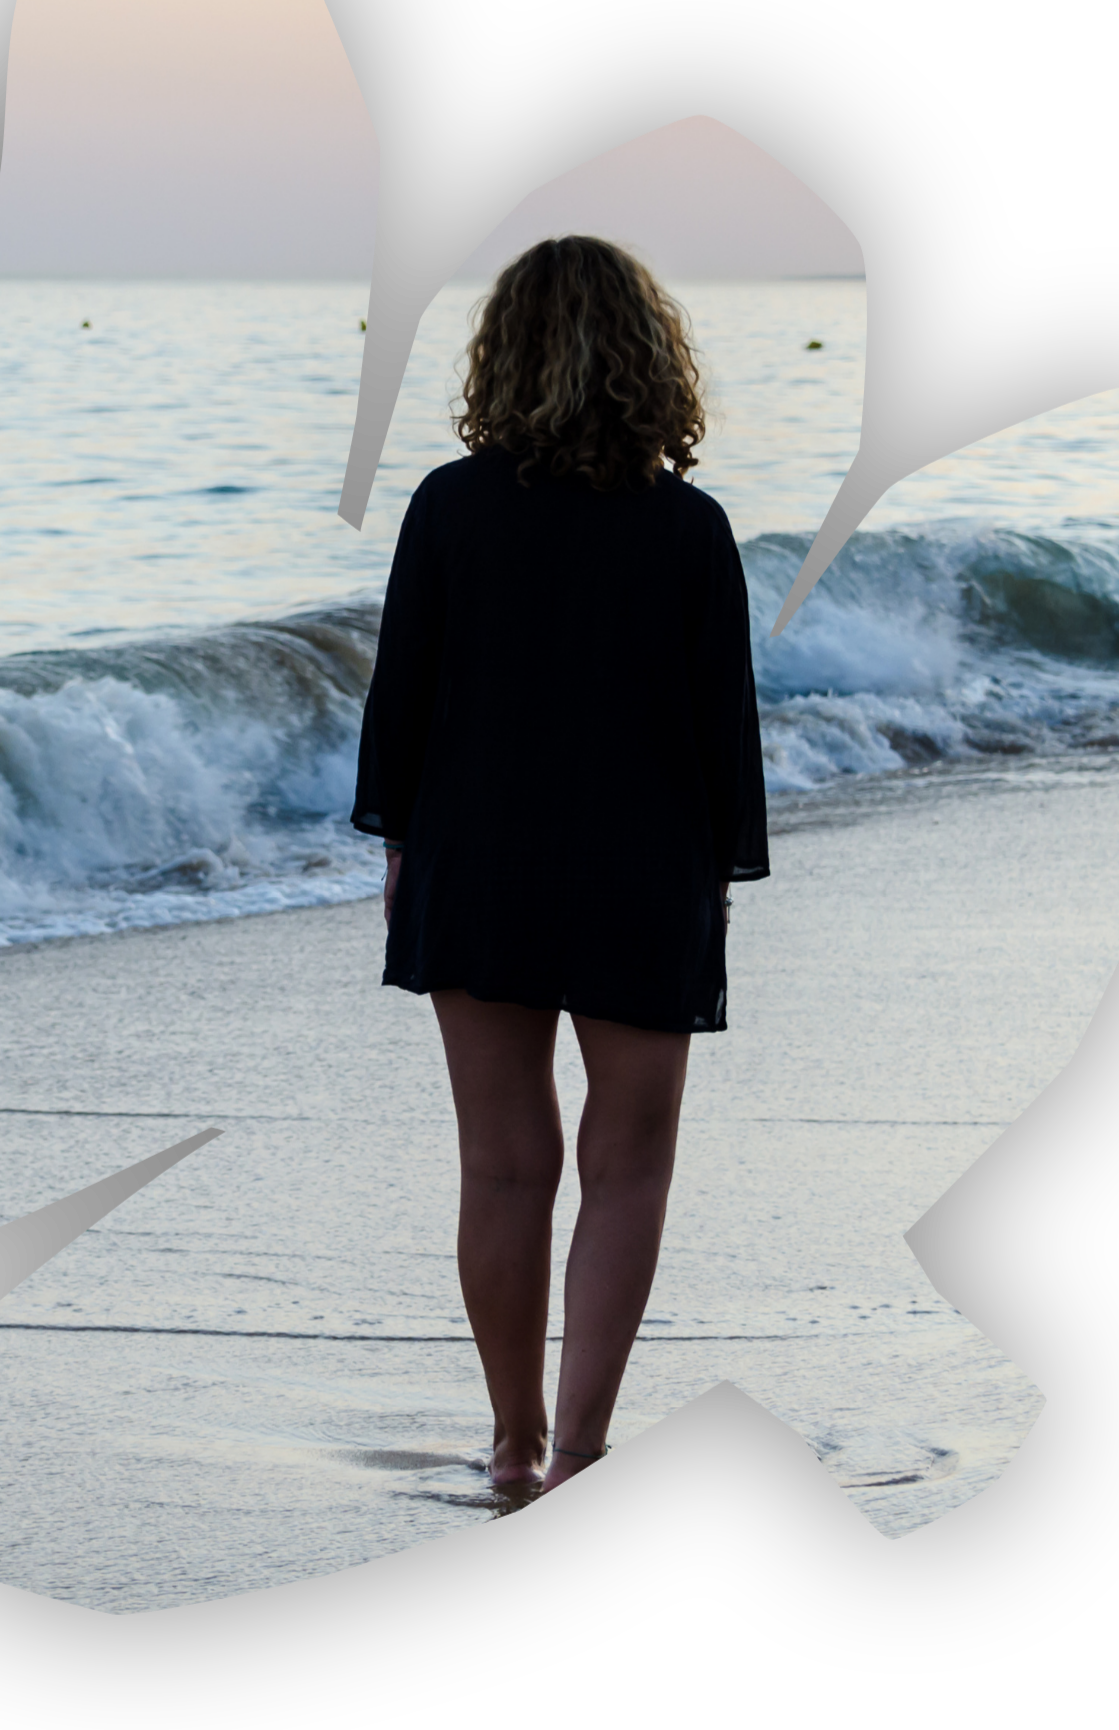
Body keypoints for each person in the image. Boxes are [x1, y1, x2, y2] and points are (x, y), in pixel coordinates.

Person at [351, 236, 769, 1497]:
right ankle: (582, 1450)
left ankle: (511, 1439)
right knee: (626, 1167)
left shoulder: (446, 506)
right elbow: (722, 730)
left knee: (501, 1162)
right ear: (650, 359)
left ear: (502, 356)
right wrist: (715, 880)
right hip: (641, 866)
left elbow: (399, 701)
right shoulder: (689, 528)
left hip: (478, 859)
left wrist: (399, 845)